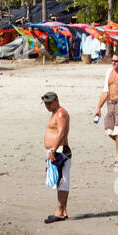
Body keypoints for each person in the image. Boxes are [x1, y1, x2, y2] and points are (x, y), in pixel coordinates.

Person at [42, 91, 71, 223]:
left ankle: (60, 212)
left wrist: (53, 149)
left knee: (61, 181)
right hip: (55, 150)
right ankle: (62, 211)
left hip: (60, 151)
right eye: (46, 103)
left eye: (50, 103)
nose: (47, 105)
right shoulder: (55, 113)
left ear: (57, 100)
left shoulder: (61, 113)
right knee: (58, 180)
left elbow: (61, 132)